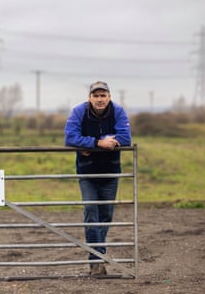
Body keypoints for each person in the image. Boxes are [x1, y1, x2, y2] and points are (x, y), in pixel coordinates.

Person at [64, 80, 131, 276]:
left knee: (106, 216)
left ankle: (97, 256)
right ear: (89, 98)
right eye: (96, 96)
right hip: (87, 172)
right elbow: (69, 137)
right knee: (91, 211)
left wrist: (89, 145)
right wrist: (98, 142)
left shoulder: (118, 111)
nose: (100, 99)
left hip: (110, 171)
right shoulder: (79, 112)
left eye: (103, 95)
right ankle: (96, 260)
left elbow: (125, 138)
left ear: (109, 97)